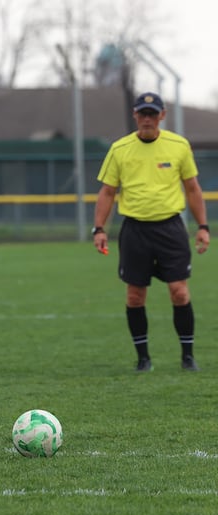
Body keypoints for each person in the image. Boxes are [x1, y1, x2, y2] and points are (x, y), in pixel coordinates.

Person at [93, 92, 209, 372]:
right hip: (134, 229)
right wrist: (99, 228)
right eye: (142, 113)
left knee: (179, 292)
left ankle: (187, 356)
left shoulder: (178, 146)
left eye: (152, 114)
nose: (147, 119)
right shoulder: (120, 149)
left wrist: (203, 227)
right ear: (135, 115)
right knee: (135, 295)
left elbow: (192, 188)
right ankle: (143, 359)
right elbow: (108, 191)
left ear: (162, 116)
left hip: (171, 228)